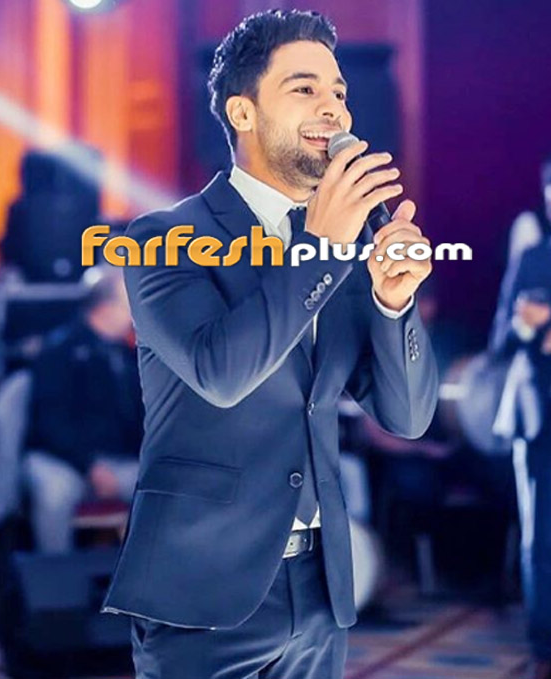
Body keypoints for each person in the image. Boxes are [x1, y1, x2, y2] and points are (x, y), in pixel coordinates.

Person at [101, 10, 438, 679]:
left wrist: (393, 302)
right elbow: (220, 371)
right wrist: (325, 248)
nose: (333, 107)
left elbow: (406, 417)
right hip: (201, 592)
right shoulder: (161, 237)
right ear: (243, 113)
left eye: (338, 91)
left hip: (320, 594)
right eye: (305, 88)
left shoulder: (345, 248)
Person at [23, 264, 144, 553]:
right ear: (105, 306)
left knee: (166, 484)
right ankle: (55, 579)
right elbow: (50, 423)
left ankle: (148, 576)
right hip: (60, 460)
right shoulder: (59, 350)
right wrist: (89, 465)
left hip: (118, 460)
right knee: (54, 492)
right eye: (130, 302)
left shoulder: (128, 354)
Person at [490, 155, 551, 679]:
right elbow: (500, 341)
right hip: (538, 414)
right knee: (541, 538)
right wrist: (529, 328)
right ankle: (542, 649)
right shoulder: (533, 258)